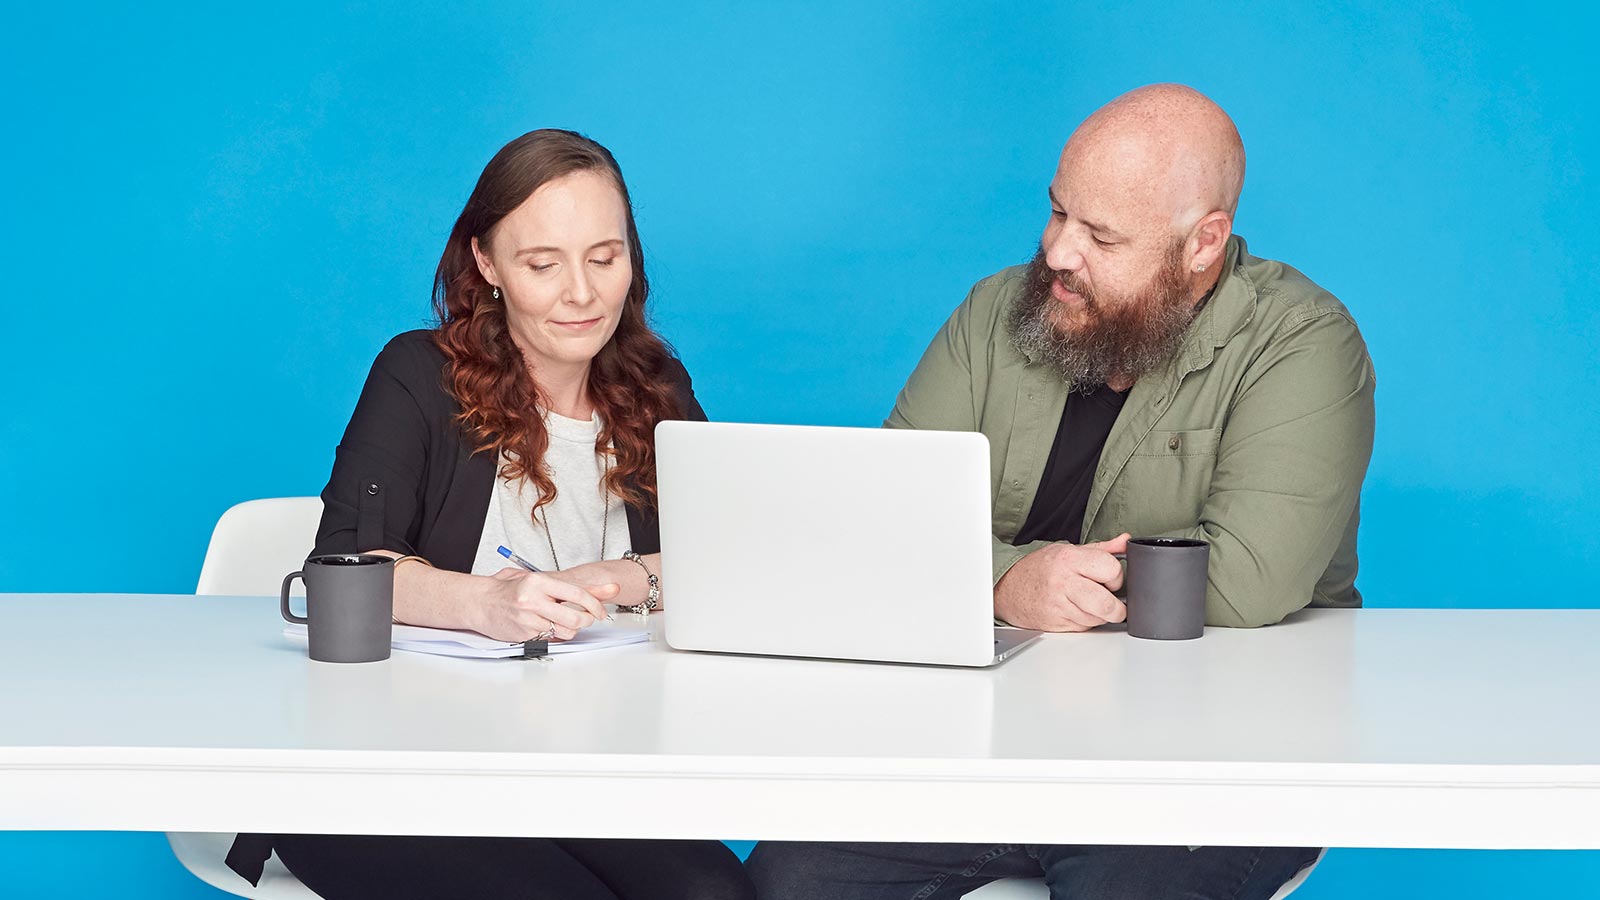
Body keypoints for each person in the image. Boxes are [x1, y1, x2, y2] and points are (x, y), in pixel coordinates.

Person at [747, 84, 1373, 899]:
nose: (1058, 253)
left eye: (1101, 235)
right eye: (1058, 213)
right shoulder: (994, 314)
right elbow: (885, 522)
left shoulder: (1303, 345)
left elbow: (1250, 578)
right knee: (789, 878)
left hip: (1216, 752)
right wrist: (1014, 578)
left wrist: (1007, 576)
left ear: (1203, 244)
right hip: (990, 747)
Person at [226, 129, 753, 900]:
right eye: (543, 264)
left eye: (605, 258)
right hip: (382, 768)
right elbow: (346, 568)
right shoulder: (417, 375)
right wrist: (488, 602)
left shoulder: (658, 386)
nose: (582, 293)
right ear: (487, 265)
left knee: (718, 897)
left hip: (582, 762)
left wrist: (625, 575)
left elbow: (726, 565)